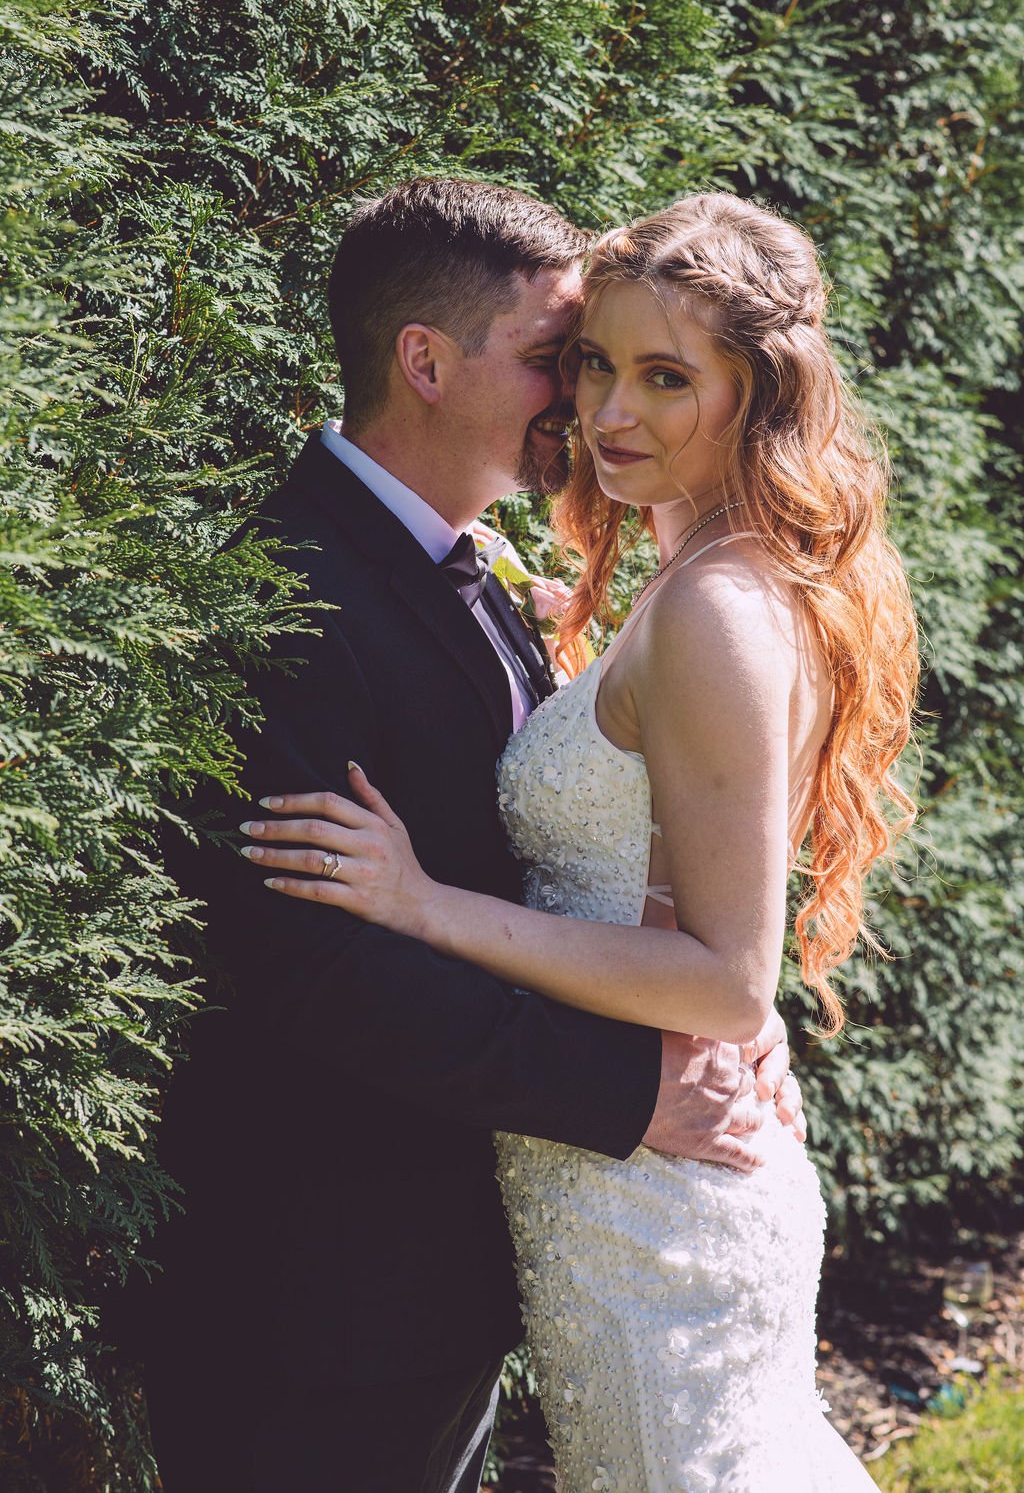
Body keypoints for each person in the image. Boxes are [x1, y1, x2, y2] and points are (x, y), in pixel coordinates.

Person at [243, 192, 919, 1489]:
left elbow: (726, 971)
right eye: (579, 361)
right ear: (427, 365)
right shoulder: (377, 585)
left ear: (755, 392)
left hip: (638, 1202)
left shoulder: (705, 605)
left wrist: (427, 904)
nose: (596, 409)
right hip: (417, 1259)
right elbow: (312, 969)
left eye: (655, 375)